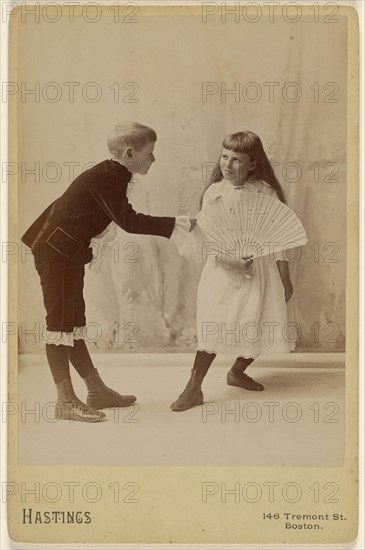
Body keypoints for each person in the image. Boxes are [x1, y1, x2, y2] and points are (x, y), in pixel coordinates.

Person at [21, 121, 192, 422]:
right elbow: (128, 221)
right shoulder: (108, 176)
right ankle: (64, 402)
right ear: (129, 153)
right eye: (150, 153)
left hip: (65, 252)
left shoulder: (111, 173)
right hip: (57, 254)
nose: (154, 159)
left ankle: (96, 391)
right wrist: (173, 224)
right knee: (59, 327)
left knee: (72, 324)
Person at [171, 131, 296, 412]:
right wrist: (231, 262)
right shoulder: (215, 193)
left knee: (258, 322)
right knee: (214, 326)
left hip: (260, 271)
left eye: (237, 160)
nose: (227, 165)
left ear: (253, 164)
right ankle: (193, 388)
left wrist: (285, 277)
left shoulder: (266, 192)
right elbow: (206, 238)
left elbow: (280, 238)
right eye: (225, 157)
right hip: (222, 268)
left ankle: (237, 371)